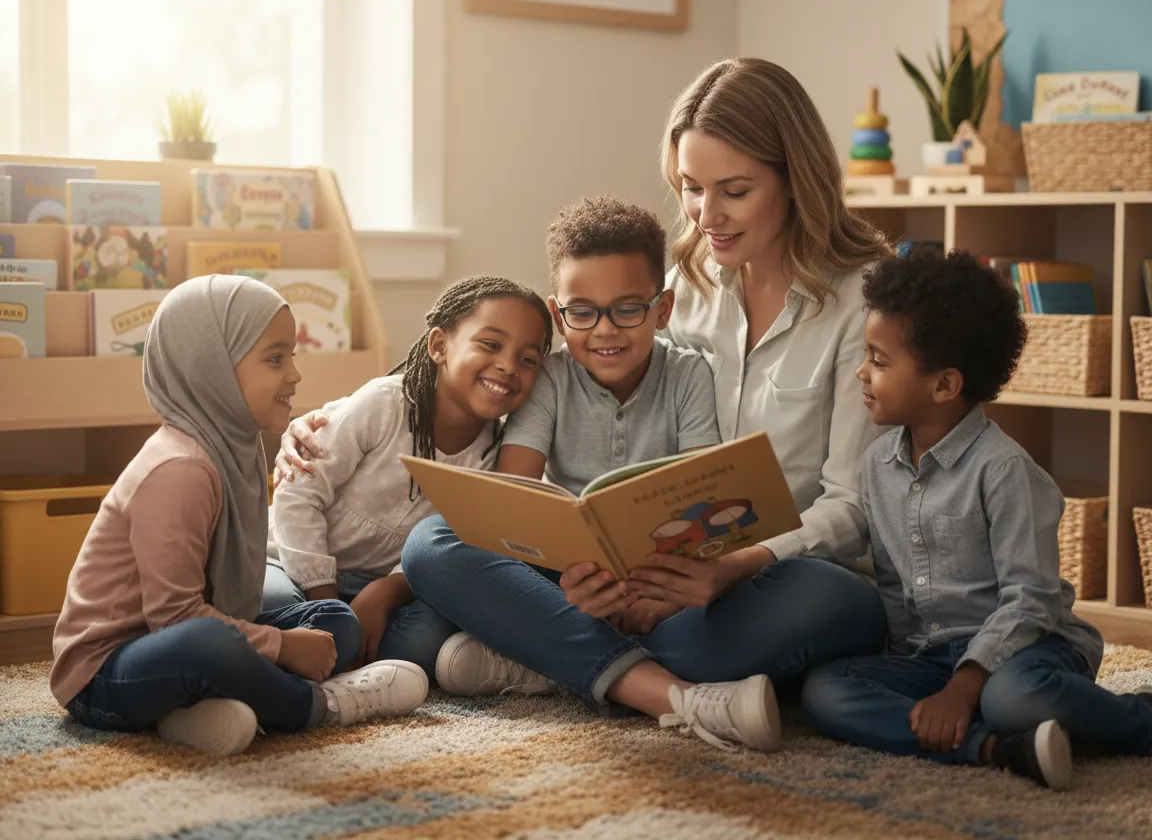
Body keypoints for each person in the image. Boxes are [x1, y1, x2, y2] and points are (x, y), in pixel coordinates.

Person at [282, 59, 890, 753]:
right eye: (690, 189)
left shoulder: (861, 302)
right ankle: (660, 687)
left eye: (735, 191)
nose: (706, 216)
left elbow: (850, 506)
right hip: (648, 566)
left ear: (794, 178)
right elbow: (522, 375)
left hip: (776, 573)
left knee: (817, 611)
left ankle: (550, 650)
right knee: (433, 543)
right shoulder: (681, 287)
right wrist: (332, 418)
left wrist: (728, 569)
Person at [801, 250, 1152, 791]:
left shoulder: (1005, 470)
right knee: (825, 690)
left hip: (1029, 646)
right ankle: (993, 747)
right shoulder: (876, 464)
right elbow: (894, 585)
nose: (860, 372)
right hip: (933, 655)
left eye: (879, 360)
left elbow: (1030, 600)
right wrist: (917, 676)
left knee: (1014, 697)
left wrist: (963, 688)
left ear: (944, 386)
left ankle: (1131, 720)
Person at [50, 275, 427, 758]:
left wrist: (286, 639)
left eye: (292, 355)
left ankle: (193, 712)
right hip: (106, 673)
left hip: (191, 640)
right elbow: (174, 620)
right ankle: (318, 705)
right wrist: (282, 647)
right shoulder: (180, 470)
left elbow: (222, 609)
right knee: (210, 644)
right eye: (275, 358)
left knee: (335, 619)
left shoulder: (234, 446)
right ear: (211, 369)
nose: (294, 374)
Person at [265, 276, 553, 679]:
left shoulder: (497, 458)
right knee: (264, 600)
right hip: (291, 566)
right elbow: (298, 497)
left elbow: (453, 547)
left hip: (381, 590)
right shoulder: (383, 404)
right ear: (439, 346)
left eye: (528, 359)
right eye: (490, 344)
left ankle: (335, 666)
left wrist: (384, 592)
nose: (508, 365)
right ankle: (325, 665)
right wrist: (326, 601)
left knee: (424, 641)